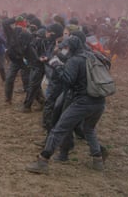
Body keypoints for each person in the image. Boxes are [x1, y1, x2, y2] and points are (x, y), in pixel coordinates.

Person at [26, 35, 107, 174]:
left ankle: (43, 161)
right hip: (99, 101)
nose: (64, 50)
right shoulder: (94, 56)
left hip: (82, 101)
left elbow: (67, 80)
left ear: (71, 47)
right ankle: (98, 161)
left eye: (66, 47)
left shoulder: (75, 60)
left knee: (59, 129)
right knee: (89, 129)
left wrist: (56, 65)